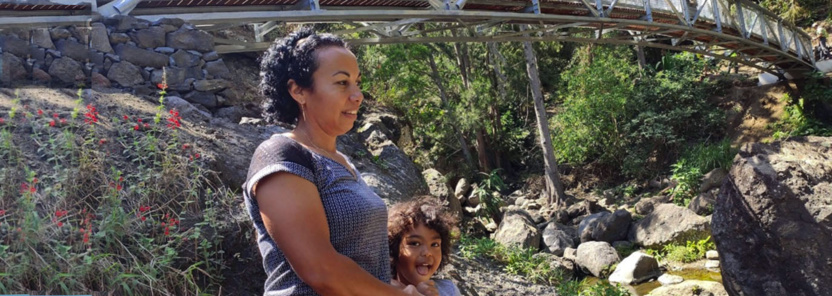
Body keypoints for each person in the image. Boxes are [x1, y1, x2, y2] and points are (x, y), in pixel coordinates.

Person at [243, 28, 433, 296]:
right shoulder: (281, 154)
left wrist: (402, 286)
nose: (357, 95)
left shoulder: (342, 161)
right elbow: (321, 270)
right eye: (342, 83)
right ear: (298, 91)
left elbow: (361, 267)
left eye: (357, 82)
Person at [388, 197, 462, 296]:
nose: (427, 252)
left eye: (434, 244)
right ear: (393, 248)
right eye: (415, 243)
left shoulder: (449, 290)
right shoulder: (381, 290)